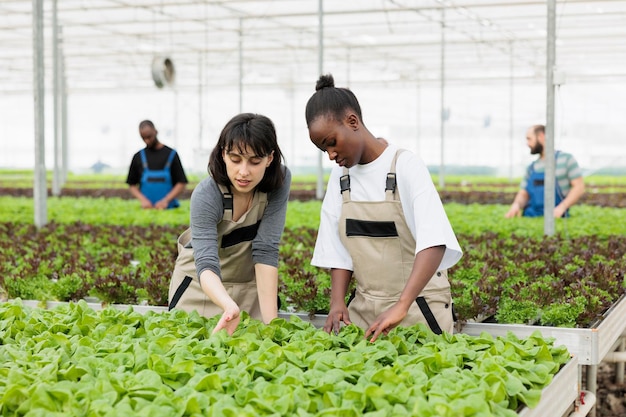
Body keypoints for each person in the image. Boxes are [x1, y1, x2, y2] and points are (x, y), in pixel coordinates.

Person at [304, 74, 462, 343]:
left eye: (331, 142)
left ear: (352, 121)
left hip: (418, 309)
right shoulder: (341, 177)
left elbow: (434, 242)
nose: (330, 155)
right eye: (323, 149)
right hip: (366, 312)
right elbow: (338, 249)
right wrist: (337, 302)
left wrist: (402, 305)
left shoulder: (404, 165)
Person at [168, 113, 291, 335]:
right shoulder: (207, 194)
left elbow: (266, 249)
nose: (244, 172)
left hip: (248, 288)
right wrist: (227, 305)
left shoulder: (279, 182)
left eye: (255, 162)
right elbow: (205, 261)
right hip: (200, 286)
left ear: (269, 159)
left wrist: (273, 328)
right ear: (223, 154)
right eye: (235, 159)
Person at [505, 124, 585, 218]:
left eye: (529, 139)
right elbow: (524, 193)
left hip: (556, 217)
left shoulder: (565, 159)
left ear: (541, 136)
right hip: (531, 217)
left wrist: (561, 208)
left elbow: (579, 187)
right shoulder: (532, 167)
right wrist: (516, 205)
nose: (527, 143)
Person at [126, 120, 188, 209]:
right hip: (147, 210)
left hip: (169, 209)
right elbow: (131, 185)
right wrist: (143, 200)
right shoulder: (138, 157)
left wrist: (166, 201)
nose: (147, 141)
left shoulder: (171, 154)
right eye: (143, 138)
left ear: (156, 132)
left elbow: (181, 183)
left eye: (149, 137)